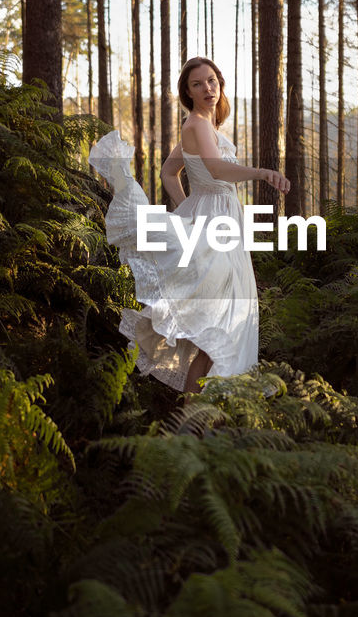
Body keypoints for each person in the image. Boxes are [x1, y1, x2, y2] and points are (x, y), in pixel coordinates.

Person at [88, 55, 290, 394]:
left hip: (219, 221)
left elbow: (169, 173)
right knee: (216, 330)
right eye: (198, 83)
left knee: (221, 329)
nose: (207, 88)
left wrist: (186, 209)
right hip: (216, 225)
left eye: (211, 80)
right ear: (188, 91)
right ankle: (194, 423)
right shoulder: (195, 123)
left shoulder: (205, 127)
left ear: (219, 83)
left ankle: (201, 420)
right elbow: (216, 171)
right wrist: (261, 173)